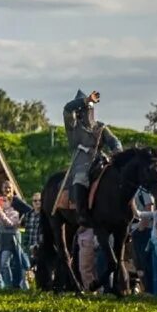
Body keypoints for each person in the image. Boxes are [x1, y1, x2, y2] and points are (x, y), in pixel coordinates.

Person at [62, 89, 123, 227]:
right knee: (81, 178)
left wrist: (117, 151)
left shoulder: (100, 127)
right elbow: (67, 108)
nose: (85, 112)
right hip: (81, 161)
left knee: (120, 177)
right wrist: (86, 100)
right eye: (83, 109)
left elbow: (114, 141)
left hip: (100, 160)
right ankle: (82, 214)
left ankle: (130, 211)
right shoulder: (73, 126)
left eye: (88, 108)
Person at [0, 192, 25, 290]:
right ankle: (4, 286)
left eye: (4, 200)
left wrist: (1, 213)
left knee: (5, 263)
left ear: (10, 202)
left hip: (9, 240)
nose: (2, 203)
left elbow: (9, 224)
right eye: (0, 201)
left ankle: (9, 285)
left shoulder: (14, 213)